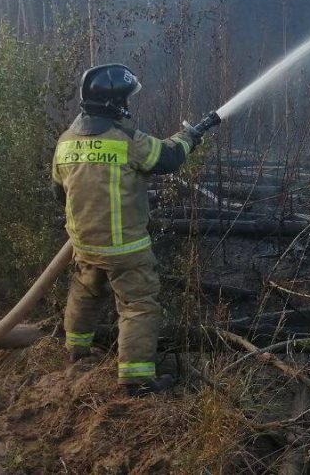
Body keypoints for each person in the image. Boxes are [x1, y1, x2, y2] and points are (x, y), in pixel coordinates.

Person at [51, 64, 200, 397]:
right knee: (139, 306)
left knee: (85, 293)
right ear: (117, 102)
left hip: (84, 244)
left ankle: (75, 352)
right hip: (125, 249)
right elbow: (169, 158)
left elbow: (59, 192)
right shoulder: (126, 140)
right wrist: (190, 135)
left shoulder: (65, 142)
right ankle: (136, 379)